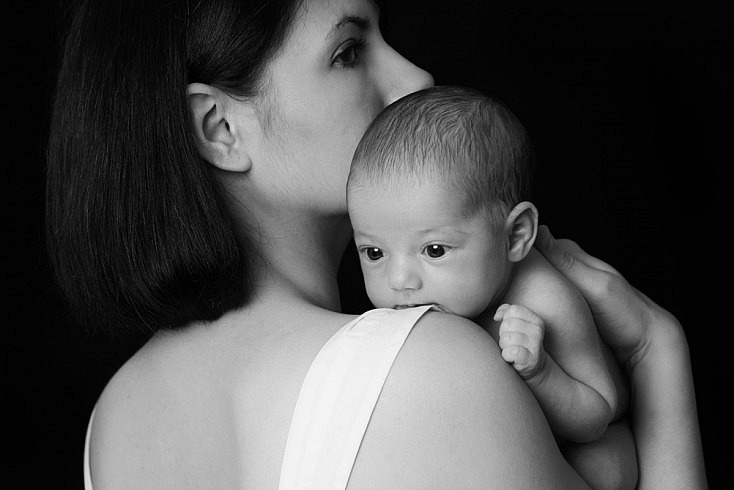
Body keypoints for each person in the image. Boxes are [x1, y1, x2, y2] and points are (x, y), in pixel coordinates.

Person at [45, 0, 706, 488]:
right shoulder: (425, 367)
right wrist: (656, 350)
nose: (415, 79)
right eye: (348, 52)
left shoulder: (112, 422)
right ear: (220, 128)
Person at [346, 85, 635, 486]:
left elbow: (597, 415)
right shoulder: (431, 297)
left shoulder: (545, 300)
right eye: (374, 253)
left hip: (589, 438)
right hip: (508, 445)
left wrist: (541, 372)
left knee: (605, 467)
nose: (399, 281)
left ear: (516, 236)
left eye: (433, 249)